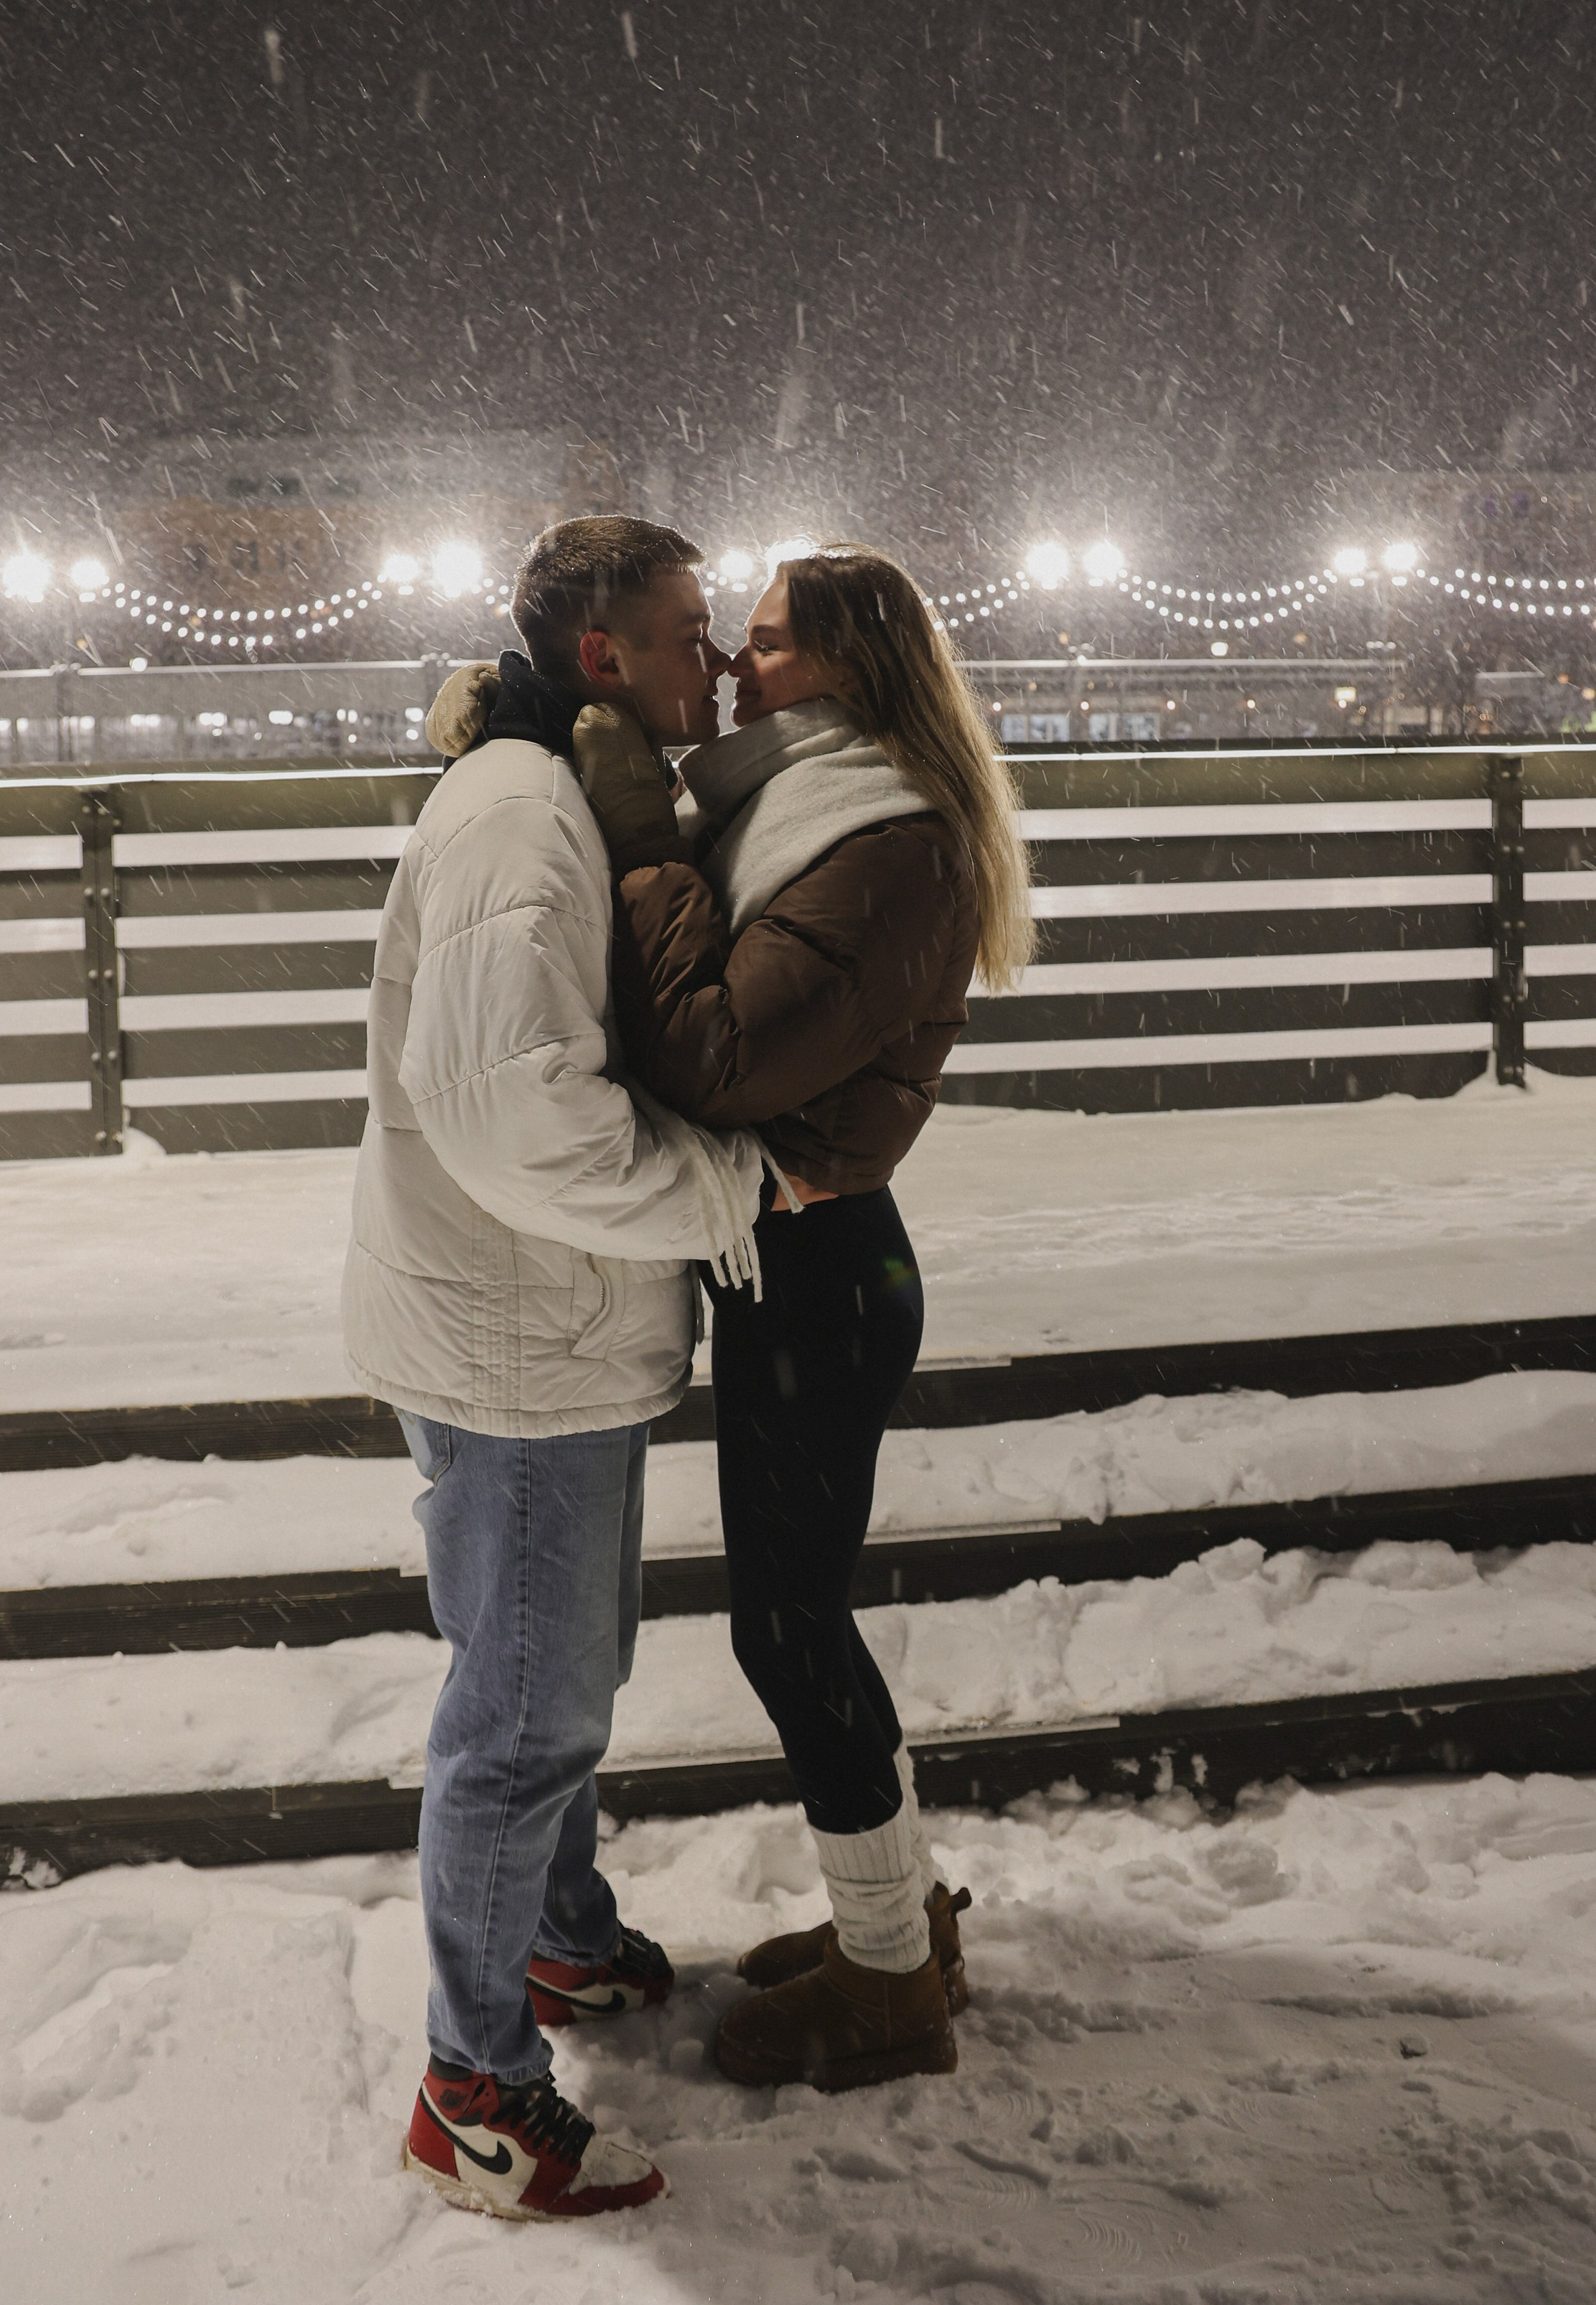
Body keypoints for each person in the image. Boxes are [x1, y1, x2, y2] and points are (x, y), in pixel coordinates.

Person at [569, 544, 1034, 2095]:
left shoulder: (887, 841)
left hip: (825, 1280)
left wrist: (646, 855)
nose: (735, 669)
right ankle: (896, 1925)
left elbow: (714, 1061)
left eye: (764, 645)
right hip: (796, 1266)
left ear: (847, 667)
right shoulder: (795, 804)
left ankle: (890, 1980)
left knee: (786, 1625)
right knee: (793, 1615)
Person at [342, 515, 764, 2220]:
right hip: (521, 1336)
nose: (713, 660)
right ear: (604, 659)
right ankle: (477, 2096)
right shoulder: (523, 820)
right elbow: (517, 1117)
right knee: (522, 1718)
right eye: (687, 631)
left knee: (551, 1674)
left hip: (525, 1321)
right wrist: (730, 1186)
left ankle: (558, 1948)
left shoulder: (545, 786)